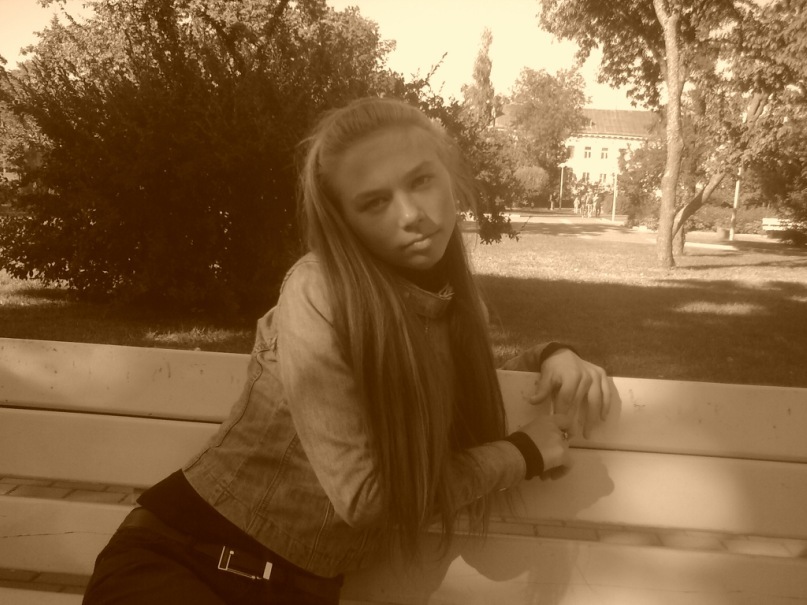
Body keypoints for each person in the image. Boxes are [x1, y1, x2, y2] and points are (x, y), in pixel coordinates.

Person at [82, 97, 613, 605]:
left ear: (450, 178)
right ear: (344, 220)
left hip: (295, 592)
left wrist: (550, 355)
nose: (411, 214)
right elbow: (365, 498)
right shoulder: (319, 290)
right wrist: (523, 454)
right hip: (186, 562)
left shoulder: (449, 306)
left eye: (421, 181)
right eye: (375, 202)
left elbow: (457, 386)